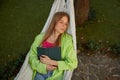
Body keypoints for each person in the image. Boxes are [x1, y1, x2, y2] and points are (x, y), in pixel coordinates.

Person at [29, 12, 78, 80]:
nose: (64, 26)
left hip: (55, 75)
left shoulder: (67, 40)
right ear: (54, 22)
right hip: (40, 72)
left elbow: (73, 63)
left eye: (66, 24)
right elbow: (32, 57)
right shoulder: (40, 38)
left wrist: (51, 62)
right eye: (61, 22)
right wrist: (44, 67)